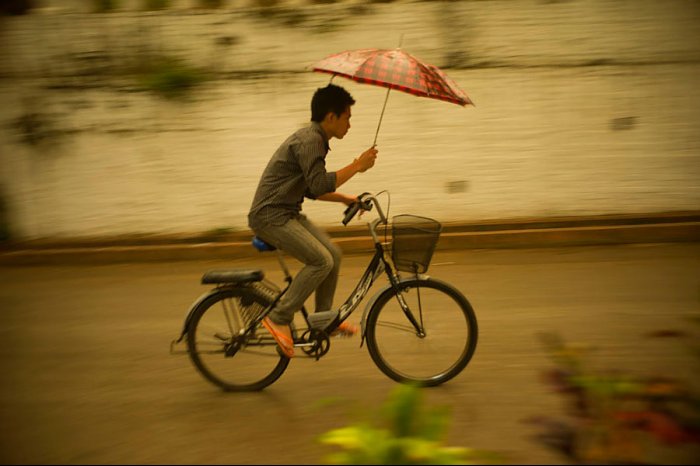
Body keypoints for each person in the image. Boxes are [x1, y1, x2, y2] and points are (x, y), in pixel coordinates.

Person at [247, 84, 378, 358]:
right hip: (270, 216)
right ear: (331, 117)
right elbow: (318, 185)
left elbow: (309, 188)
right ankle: (279, 317)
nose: (350, 125)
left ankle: (323, 320)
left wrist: (345, 198)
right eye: (347, 117)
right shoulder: (310, 140)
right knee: (321, 261)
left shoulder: (315, 139)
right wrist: (357, 165)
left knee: (333, 254)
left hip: (286, 212)